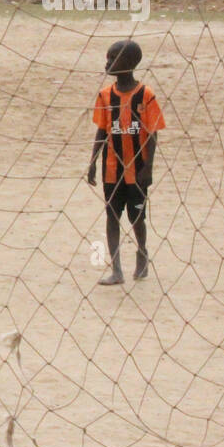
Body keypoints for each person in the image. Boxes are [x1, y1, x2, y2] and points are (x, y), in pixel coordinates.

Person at [87, 39, 165, 285]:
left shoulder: (146, 95)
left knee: (137, 217)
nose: (107, 63)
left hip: (137, 171)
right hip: (111, 170)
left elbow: (152, 134)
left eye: (113, 58)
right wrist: (92, 161)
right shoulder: (105, 95)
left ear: (129, 63)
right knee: (112, 216)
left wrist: (148, 168)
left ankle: (142, 253)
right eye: (107, 57)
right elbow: (102, 131)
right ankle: (117, 270)